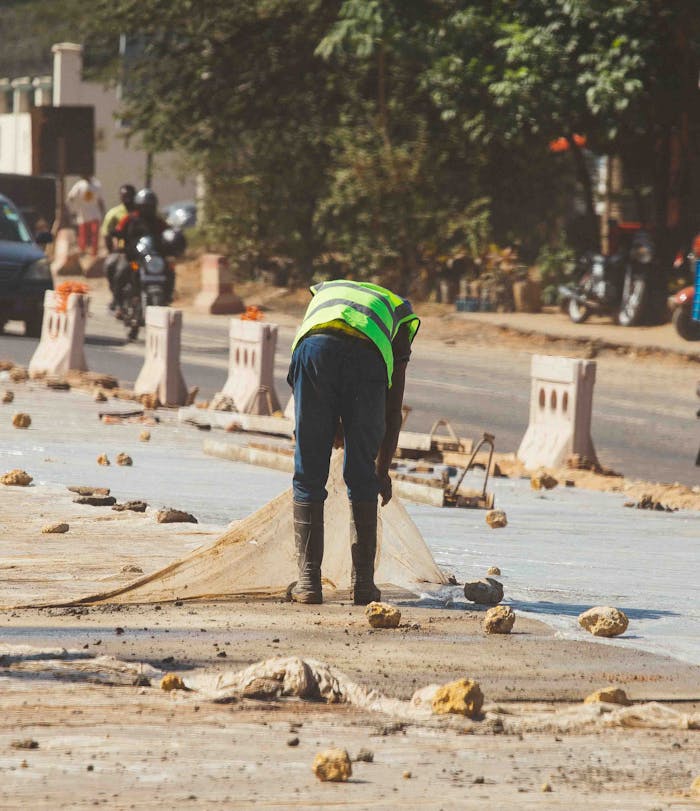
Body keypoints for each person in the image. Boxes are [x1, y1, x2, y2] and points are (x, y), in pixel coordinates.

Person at [287, 280, 420, 606]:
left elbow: (300, 385)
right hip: (366, 359)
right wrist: (382, 470)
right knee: (362, 475)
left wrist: (322, 427)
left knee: (308, 471)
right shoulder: (400, 315)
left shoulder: (325, 294)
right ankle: (363, 585)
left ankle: (308, 583)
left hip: (314, 351)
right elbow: (392, 410)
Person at [112, 188, 172, 309]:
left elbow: (168, 234)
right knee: (122, 271)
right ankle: (118, 303)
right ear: (138, 206)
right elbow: (118, 232)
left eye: (150, 207)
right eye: (144, 206)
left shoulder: (158, 222)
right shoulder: (129, 219)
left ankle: (167, 296)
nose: (147, 209)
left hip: (150, 257)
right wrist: (121, 247)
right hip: (134, 258)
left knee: (169, 270)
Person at [101, 184, 136, 310]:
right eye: (124, 196)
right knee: (116, 267)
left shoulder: (142, 214)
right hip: (127, 253)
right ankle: (117, 298)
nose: (127, 199)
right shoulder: (118, 215)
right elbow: (108, 233)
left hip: (144, 254)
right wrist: (112, 250)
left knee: (157, 265)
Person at [67, 175, 105, 256]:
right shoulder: (79, 185)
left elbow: (100, 200)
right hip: (83, 216)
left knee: (95, 236)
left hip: (95, 215)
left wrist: (103, 213)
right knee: (83, 237)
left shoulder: (96, 185)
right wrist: (73, 209)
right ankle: (82, 254)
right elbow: (70, 197)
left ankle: (94, 254)